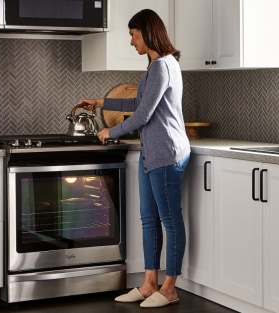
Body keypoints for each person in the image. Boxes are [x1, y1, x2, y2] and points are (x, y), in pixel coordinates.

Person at [79, 9, 190, 308]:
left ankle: (169, 288)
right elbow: (139, 101)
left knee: (169, 220)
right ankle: (149, 283)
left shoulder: (162, 66)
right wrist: (102, 102)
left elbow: (143, 114)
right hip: (152, 152)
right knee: (148, 219)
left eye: (132, 34)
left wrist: (111, 132)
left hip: (166, 153)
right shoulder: (157, 65)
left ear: (146, 31)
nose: (131, 42)